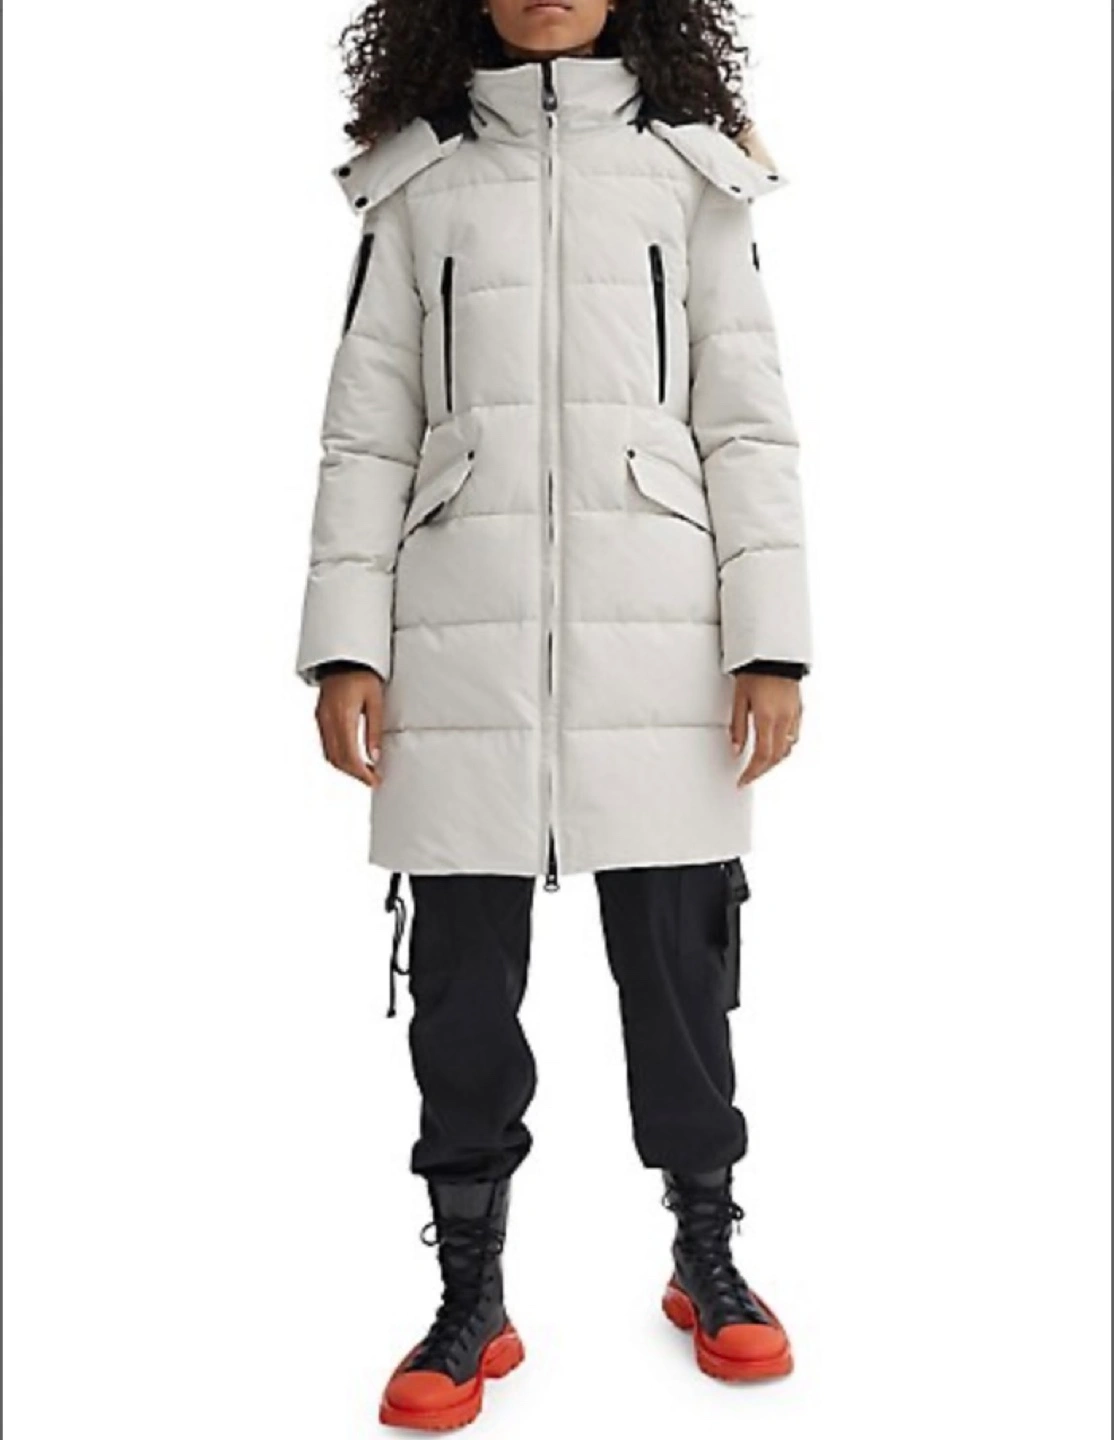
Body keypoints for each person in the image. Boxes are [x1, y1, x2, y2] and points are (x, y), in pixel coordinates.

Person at [297, 0, 811, 1428]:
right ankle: (469, 1290)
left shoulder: (692, 173)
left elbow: (747, 420)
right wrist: (344, 649)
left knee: (680, 970)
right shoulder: (416, 182)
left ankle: (707, 1250)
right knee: (460, 987)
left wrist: (771, 645)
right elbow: (367, 430)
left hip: (663, 640)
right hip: (455, 639)